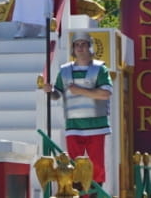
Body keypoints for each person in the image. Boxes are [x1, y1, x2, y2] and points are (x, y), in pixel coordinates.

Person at [45, 32, 113, 193]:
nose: (80, 48)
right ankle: (78, 194)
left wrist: (81, 91)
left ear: (90, 47)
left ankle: (96, 194)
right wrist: (49, 91)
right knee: (73, 165)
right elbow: (57, 94)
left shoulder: (100, 69)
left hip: (96, 125)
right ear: (73, 48)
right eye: (77, 44)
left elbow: (105, 93)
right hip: (74, 125)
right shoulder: (65, 71)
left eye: (83, 44)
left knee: (96, 166)